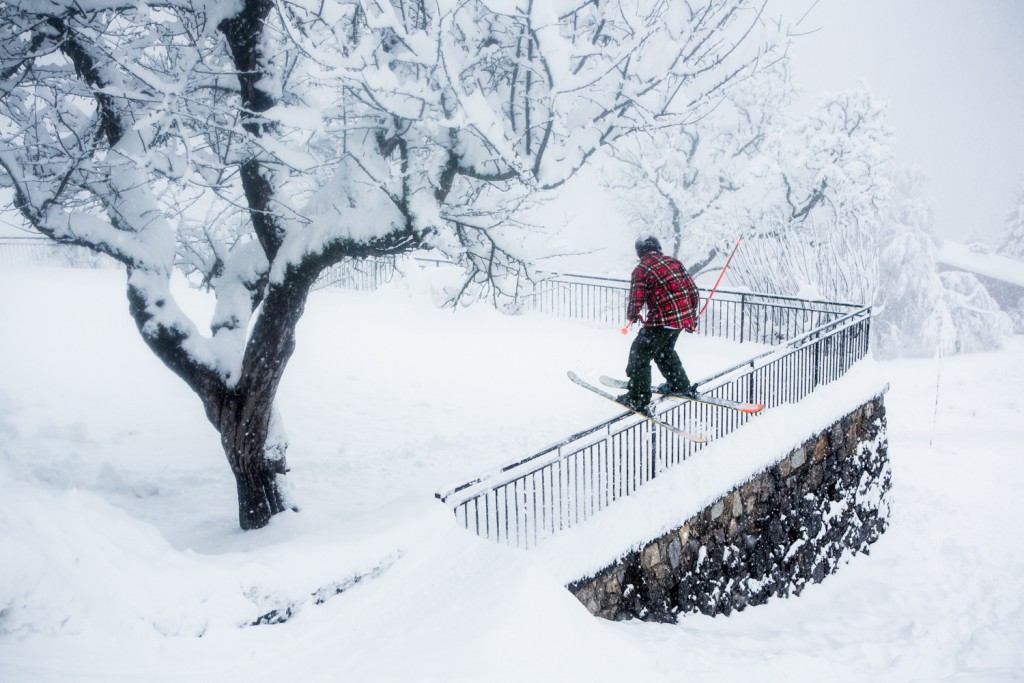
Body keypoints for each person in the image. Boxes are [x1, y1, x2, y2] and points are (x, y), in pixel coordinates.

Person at [617, 235, 700, 412]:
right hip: (680, 320)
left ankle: (637, 397)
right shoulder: (674, 262)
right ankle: (679, 384)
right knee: (664, 351)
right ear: (658, 247)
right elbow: (693, 291)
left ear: (640, 251)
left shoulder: (641, 269)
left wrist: (632, 314)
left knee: (639, 356)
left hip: (661, 321)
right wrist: (691, 317)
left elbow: (636, 298)